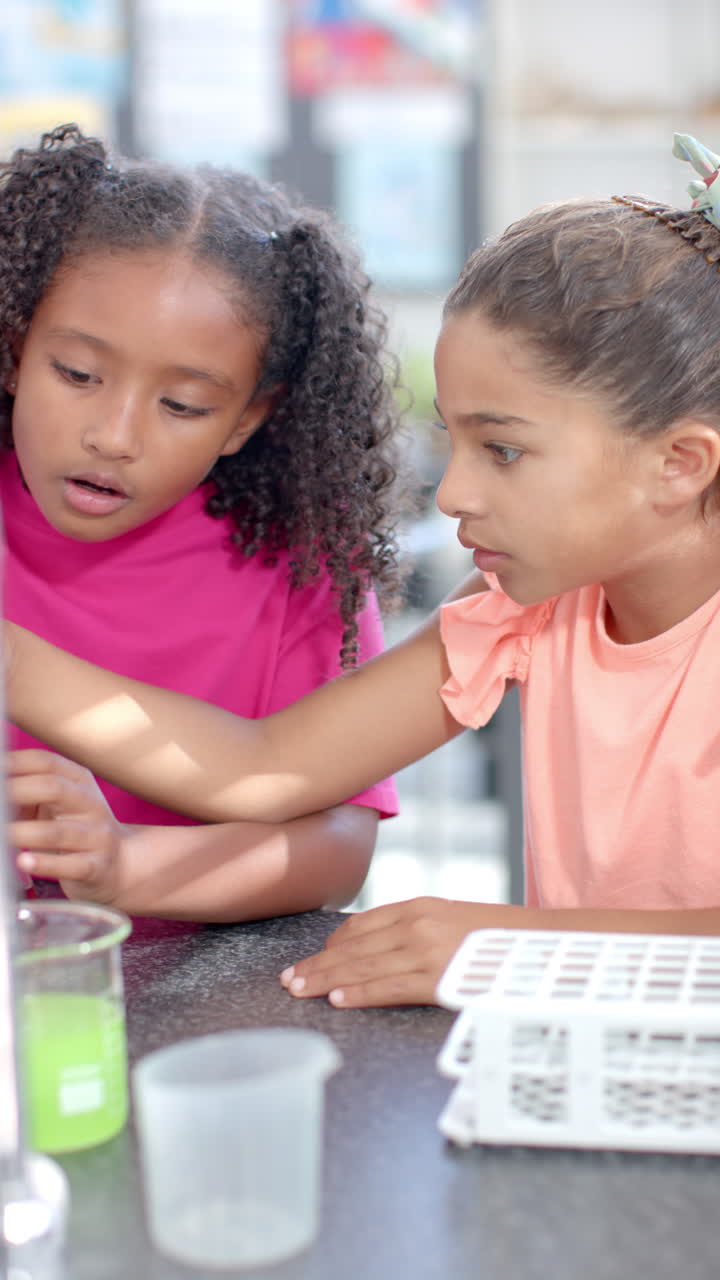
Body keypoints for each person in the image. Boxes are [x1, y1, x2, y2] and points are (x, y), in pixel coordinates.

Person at [9, 132, 720, 1005]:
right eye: (454, 441)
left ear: (681, 463)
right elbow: (267, 764)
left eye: (502, 450)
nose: (451, 492)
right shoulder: (522, 606)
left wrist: (513, 942)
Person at [0, 122, 404, 922]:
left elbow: (339, 848)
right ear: (14, 347)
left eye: (182, 405)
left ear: (247, 420)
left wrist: (130, 865)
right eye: (77, 373)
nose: (114, 435)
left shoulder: (299, 564)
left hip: (201, 1019)